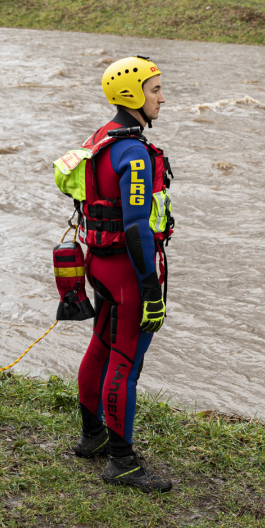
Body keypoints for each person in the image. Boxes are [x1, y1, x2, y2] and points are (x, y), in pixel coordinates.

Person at [66, 56, 175, 493]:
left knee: (102, 344)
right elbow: (135, 226)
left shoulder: (104, 137)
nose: (162, 98)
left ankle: (92, 435)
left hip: (99, 263)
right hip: (128, 273)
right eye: (155, 90)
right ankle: (122, 461)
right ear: (132, 95)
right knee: (125, 362)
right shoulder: (133, 152)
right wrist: (150, 288)